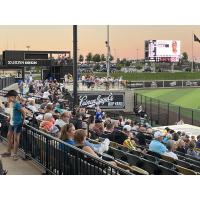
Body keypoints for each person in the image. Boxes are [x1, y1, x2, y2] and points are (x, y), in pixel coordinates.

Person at [1, 90, 26, 160]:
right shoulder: (12, 104)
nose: (7, 99)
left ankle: (15, 154)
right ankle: (8, 152)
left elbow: (24, 113)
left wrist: (23, 121)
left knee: (16, 139)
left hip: (17, 124)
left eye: (8, 97)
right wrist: (9, 117)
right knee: (9, 136)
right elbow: (12, 112)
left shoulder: (17, 104)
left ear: (12, 97)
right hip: (12, 123)